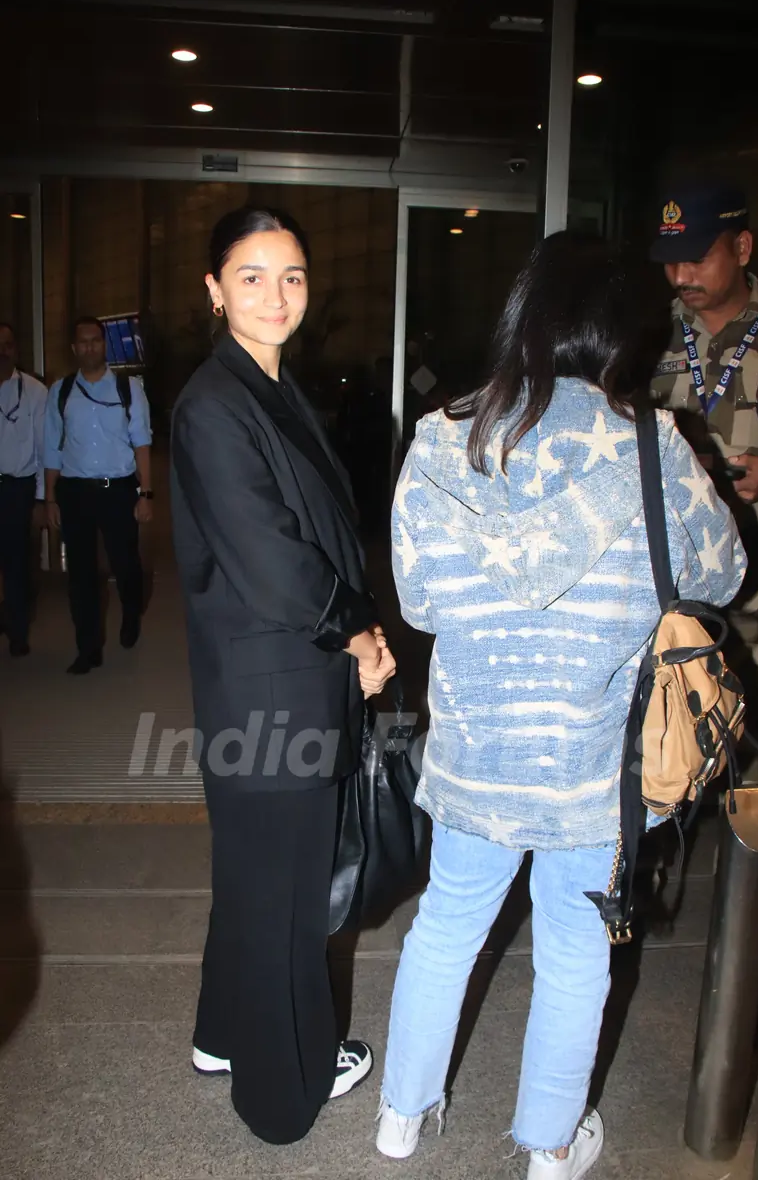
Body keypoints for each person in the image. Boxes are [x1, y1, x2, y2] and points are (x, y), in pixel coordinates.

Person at [378, 233, 745, 1177]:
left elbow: (417, 599)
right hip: (598, 763)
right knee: (578, 952)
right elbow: (721, 572)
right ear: (625, 333)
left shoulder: (442, 437)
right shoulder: (653, 449)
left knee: (448, 925)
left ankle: (400, 1117)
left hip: (478, 753)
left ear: (523, 317)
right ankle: (548, 1149)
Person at [170, 208, 396, 1146]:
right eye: (253, 276)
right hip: (275, 685)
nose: (276, 295)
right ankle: (283, 1086)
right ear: (215, 291)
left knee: (258, 879)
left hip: (275, 677)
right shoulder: (213, 405)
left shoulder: (266, 386)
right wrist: (358, 635)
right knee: (290, 889)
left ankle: (226, 1036)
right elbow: (273, 558)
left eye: (293, 276)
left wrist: (356, 630)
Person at [649, 184, 758, 785]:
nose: (680, 274)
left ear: (741, 247)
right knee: (669, 732)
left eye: (696, 257)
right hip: (674, 578)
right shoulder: (648, 337)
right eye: (670, 259)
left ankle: (747, 876)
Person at [43, 317, 153, 674]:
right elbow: (51, 449)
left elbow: (142, 443)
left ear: (104, 345)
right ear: (74, 348)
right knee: (81, 576)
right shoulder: (60, 392)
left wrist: (146, 493)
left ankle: (131, 613)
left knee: (126, 566)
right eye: (83, 342)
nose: (90, 347)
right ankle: (87, 648)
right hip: (75, 493)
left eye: (96, 340)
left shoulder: (128, 388)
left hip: (118, 491)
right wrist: (50, 499)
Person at [0, 322, 47, 656]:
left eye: (7, 344)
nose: (2, 351)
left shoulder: (34, 391)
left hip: (18, 489)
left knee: (17, 565)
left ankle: (18, 632)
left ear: (16, 349)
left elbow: (45, 448)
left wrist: (43, 498)